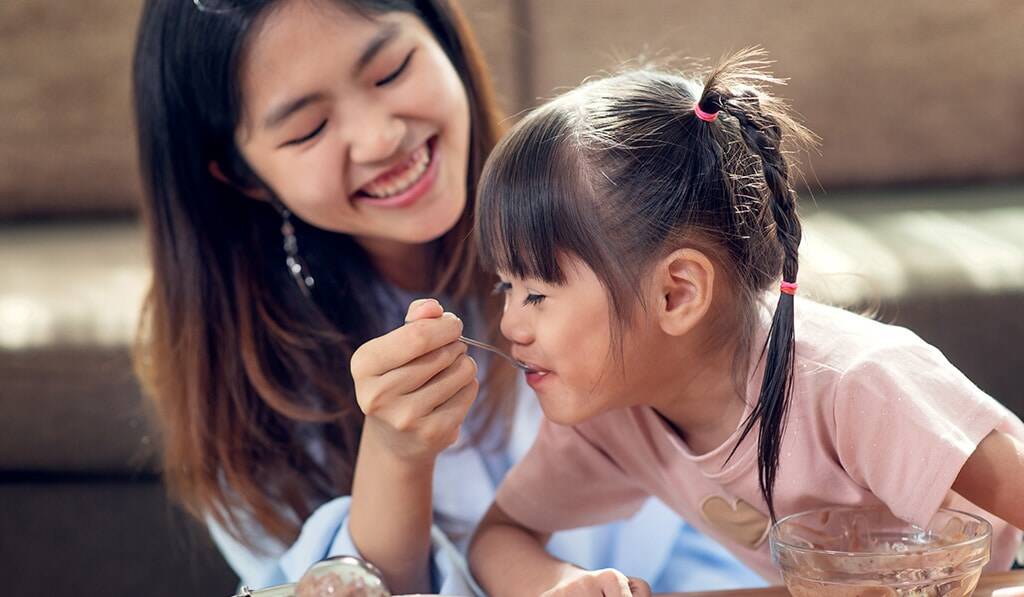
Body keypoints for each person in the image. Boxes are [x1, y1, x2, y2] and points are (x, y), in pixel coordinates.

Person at [131, 0, 764, 594]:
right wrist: (395, 459)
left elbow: (750, 502)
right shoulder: (244, 382)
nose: (381, 139)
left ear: (442, 38)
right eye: (309, 128)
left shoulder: (620, 214)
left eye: (391, 71)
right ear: (240, 175)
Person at [467, 49, 1024, 596]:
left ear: (675, 292)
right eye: (504, 287)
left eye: (537, 293)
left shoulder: (856, 386)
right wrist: (561, 585)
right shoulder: (610, 413)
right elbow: (498, 537)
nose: (510, 323)